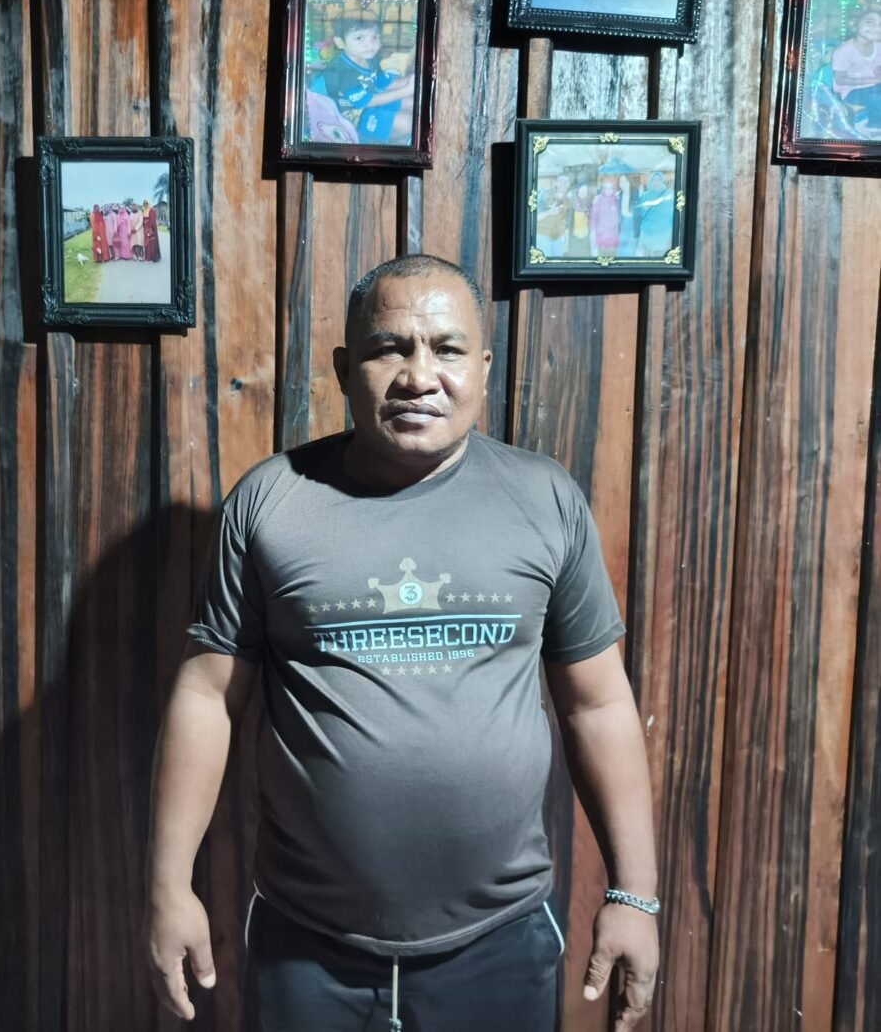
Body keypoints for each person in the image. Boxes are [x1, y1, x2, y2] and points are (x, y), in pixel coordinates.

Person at [147, 255, 660, 1032]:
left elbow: (599, 705)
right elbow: (207, 697)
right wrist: (166, 885)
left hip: (498, 944)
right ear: (343, 367)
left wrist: (634, 895)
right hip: (307, 949)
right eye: (390, 348)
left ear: (483, 368)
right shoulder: (272, 502)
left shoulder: (544, 499)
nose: (420, 376)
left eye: (447, 349)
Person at [311, 13, 416, 146]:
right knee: (408, 123)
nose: (370, 44)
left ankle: (396, 138)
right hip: (352, 117)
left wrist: (409, 82)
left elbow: (382, 82)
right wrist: (406, 90)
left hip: (370, 102)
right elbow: (368, 101)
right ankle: (391, 143)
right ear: (340, 42)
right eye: (359, 38)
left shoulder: (368, 59)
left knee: (413, 103)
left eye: (375, 37)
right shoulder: (343, 71)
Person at [830, 10, 881, 128]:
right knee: (877, 97)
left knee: (876, 94)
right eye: (870, 22)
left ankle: (875, 122)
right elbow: (840, 80)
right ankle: (876, 123)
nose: (876, 27)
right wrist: (874, 80)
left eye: (880, 24)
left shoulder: (879, 46)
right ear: (854, 24)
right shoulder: (843, 51)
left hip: (874, 87)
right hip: (851, 92)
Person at [636, 171, 675, 258]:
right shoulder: (645, 196)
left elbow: (672, 216)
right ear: (650, 182)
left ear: (662, 181)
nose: (656, 182)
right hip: (647, 235)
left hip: (663, 235)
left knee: (660, 260)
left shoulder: (668, 196)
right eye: (653, 180)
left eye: (658, 180)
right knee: (646, 260)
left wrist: (672, 236)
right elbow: (640, 215)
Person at [535, 173, 571, 258]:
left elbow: (567, 222)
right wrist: (549, 212)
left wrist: (565, 240)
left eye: (566, 182)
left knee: (557, 262)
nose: (563, 184)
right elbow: (534, 218)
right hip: (543, 236)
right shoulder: (544, 195)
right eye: (561, 181)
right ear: (556, 183)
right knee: (545, 262)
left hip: (558, 237)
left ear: (569, 184)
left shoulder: (568, 201)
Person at [590, 176, 622, 255]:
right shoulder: (598, 200)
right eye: (606, 188)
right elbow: (594, 216)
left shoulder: (616, 200)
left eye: (610, 188)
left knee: (611, 254)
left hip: (613, 234)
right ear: (603, 189)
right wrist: (593, 229)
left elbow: (619, 216)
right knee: (602, 254)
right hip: (601, 233)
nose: (608, 190)